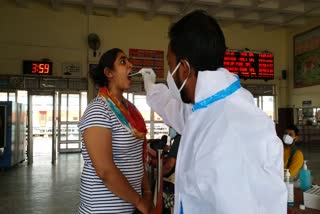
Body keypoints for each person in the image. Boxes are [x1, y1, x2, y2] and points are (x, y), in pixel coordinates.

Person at [140, 10, 287, 214]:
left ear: (184, 68)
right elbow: (178, 111)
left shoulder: (230, 132)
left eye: (170, 65)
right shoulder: (210, 106)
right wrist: (151, 88)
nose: (169, 75)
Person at [78, 48, 154, 214]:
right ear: (108, 72)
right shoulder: (98, 110)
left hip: (130, 207)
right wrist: (140, 202)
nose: (130, 65)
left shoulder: (131, 110)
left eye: (128, 61)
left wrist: (147, 193)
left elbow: (136, 158)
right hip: (102, 209)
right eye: (122, 61)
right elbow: (105, 170)